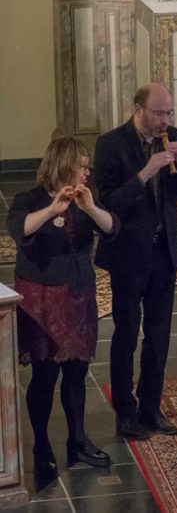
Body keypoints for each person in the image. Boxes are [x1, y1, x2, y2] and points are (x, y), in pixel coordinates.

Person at [6, 137, 119, 486]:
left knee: (76, 370)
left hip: (78, 293)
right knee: (44, 375)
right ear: (64, 164)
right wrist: (53, 210)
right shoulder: (31, 199)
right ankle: (41, 447)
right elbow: (18, 229)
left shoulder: (87, 198)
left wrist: (88, 208)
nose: (87, 170)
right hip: (42, 298)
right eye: (82, 164)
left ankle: (77, 441)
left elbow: (112, 227)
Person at [93, 84, 177, 439]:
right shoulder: (111, 144)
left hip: (163, 252)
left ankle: (150, 408)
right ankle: (125, 412)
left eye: (169, 113)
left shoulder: (175, 136)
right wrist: (147, 171)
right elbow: (108, 203)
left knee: (159, 336)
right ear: (138, 109)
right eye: (158, 113)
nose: (165, 120)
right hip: (127, 255)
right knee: (126, 335)